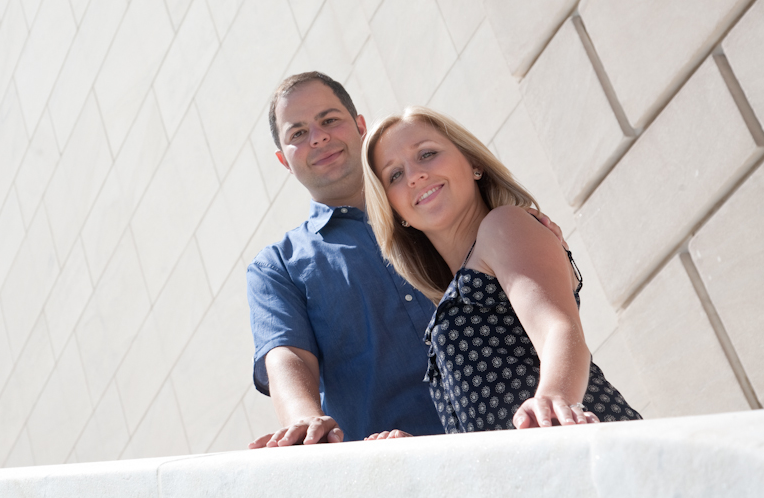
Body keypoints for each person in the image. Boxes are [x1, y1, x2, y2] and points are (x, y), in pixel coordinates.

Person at [246, 72, 568, 447]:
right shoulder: (278, 266)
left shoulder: (437, 204)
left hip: (531, 435)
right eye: (298, 133)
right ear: (283, 160)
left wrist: (529, 239)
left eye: (329, 120)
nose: (317, 138)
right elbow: (287, 356)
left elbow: (541, 301)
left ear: (360, 126)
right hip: (397, 464)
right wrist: (303, 420)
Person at [361, 106, 642, 432]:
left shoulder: (504, 225)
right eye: (395, 175)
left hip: (586, 445)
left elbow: (558, 328)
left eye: (427, 154)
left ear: (475, 164)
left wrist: (554, 398)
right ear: (395, 212)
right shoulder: (454, 295)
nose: (414, 175)